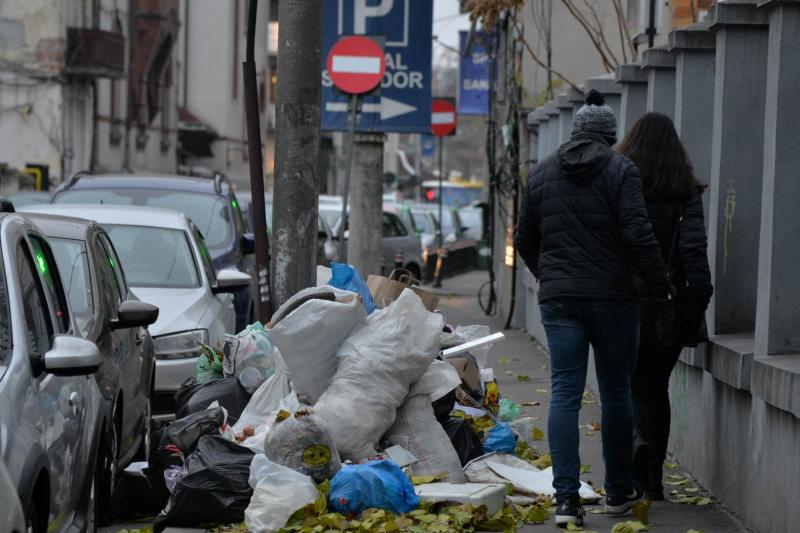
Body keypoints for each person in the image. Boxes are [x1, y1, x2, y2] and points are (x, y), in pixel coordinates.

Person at [515, 90, 668, 528]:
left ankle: (566, 501)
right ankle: (617, 493)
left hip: (560, 300)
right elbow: (638, 236)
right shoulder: (622, 171)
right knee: (616, 392)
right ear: (609, 136)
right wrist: (659, 287)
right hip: (615, 299)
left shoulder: (541, 173)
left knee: (565, 392)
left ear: (575, 131)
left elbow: (524, 238)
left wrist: (550, 276)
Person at [618, 112, 713, 501]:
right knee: (656, 388)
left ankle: (634, 454)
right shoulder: (684, 191)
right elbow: (693, 248)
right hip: (669, 306)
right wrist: (698, 298)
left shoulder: (621, 184)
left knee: (626, 384)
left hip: (625, 301)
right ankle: (655, 478)